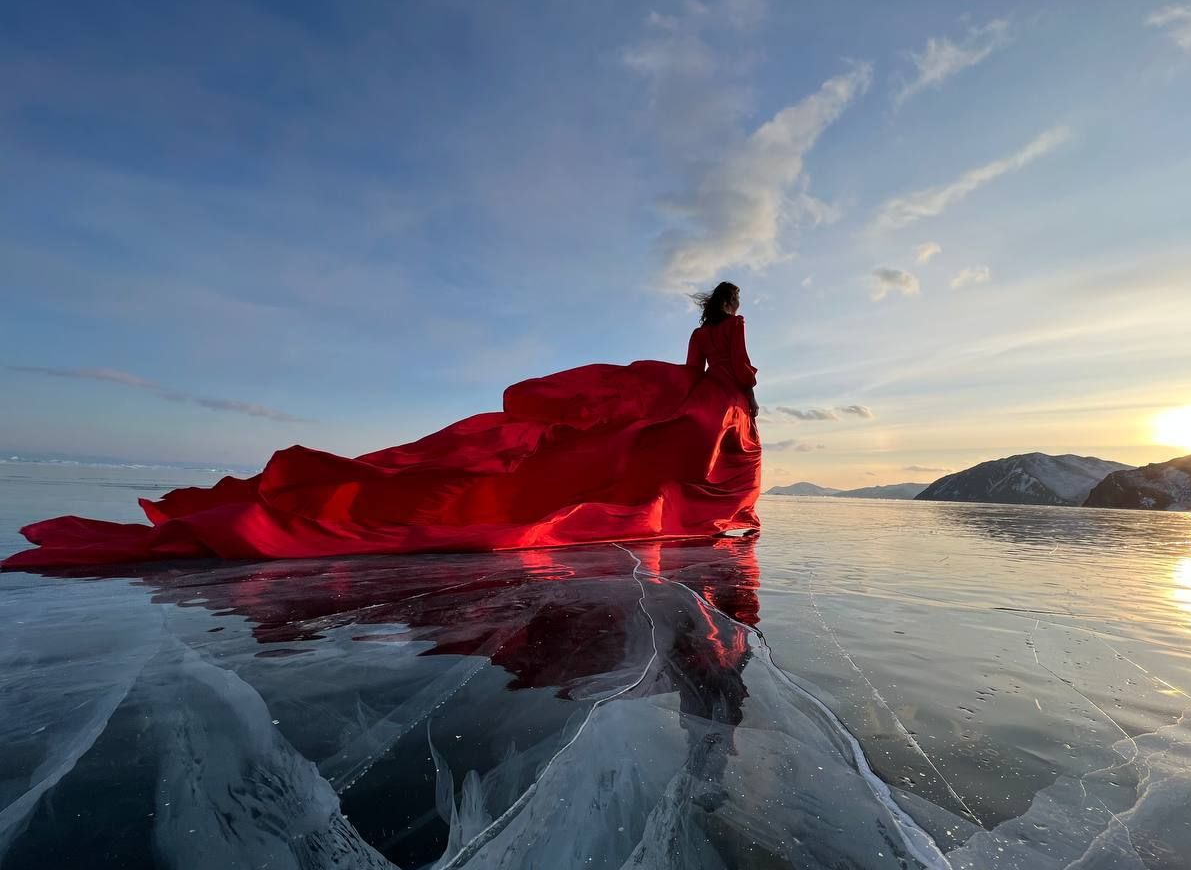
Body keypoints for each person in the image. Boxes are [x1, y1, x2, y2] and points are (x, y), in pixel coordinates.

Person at [2, 282, 762, 568]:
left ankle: (712, 507)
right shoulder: (730, 332)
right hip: (716, 409)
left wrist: (677, 398)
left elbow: (696, 369)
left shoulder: (702, 332)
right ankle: (722, 511)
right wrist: (733, 403)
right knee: (717, 454)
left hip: (699, 403)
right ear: (730, 304)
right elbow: (737, 374)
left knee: (675, 450)